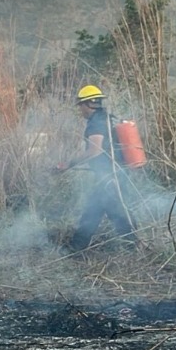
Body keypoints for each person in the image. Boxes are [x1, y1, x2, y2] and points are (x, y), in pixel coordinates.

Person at [60, 84, 137, 251]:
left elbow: (95, 150)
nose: (80, 109)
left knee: (94, 210)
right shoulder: (108, 118)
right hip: (117, 174)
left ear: (88, 104)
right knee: (112, 212)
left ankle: (76, 248)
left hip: (109, 177)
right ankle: (133, 246)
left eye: (80, 105)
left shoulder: (95, 123)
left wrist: (69, 164)